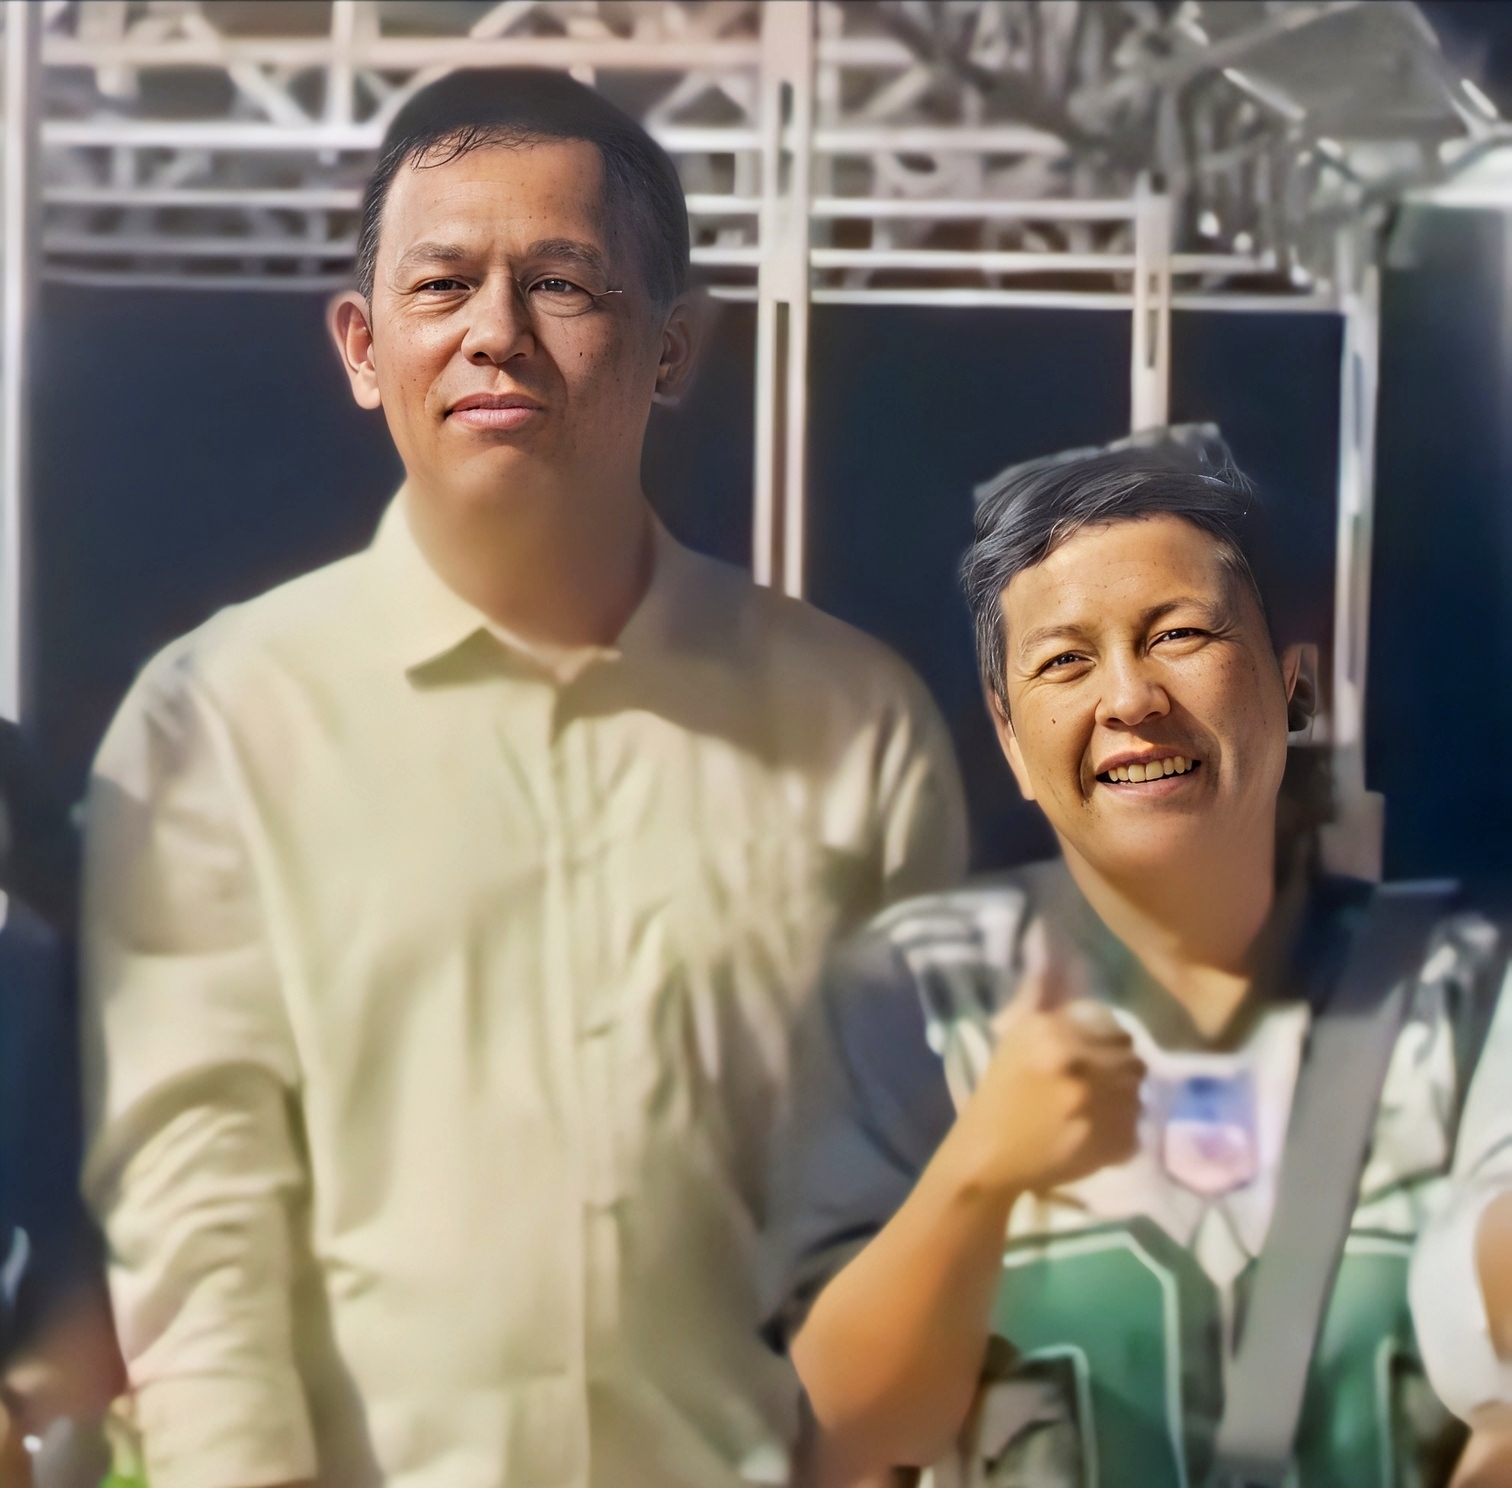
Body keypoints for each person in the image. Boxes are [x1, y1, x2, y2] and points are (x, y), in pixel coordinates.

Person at [80, 68, 966, 1488]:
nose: (495, 333)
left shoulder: (850, 726)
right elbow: (198, 1203)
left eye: (561, 284)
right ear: (363, 345)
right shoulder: (221, 720)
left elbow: (900, 1209)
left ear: (671, 348)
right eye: (443, 287)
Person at [762, 430, 1510, 1488]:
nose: (1130, 699)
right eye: (1066, 661)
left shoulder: (1460, 987)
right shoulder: (917, 992)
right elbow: (856, 1428)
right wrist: (978, 1174)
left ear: (1293, 684)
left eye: (1180, 634)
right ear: (1012, 739)